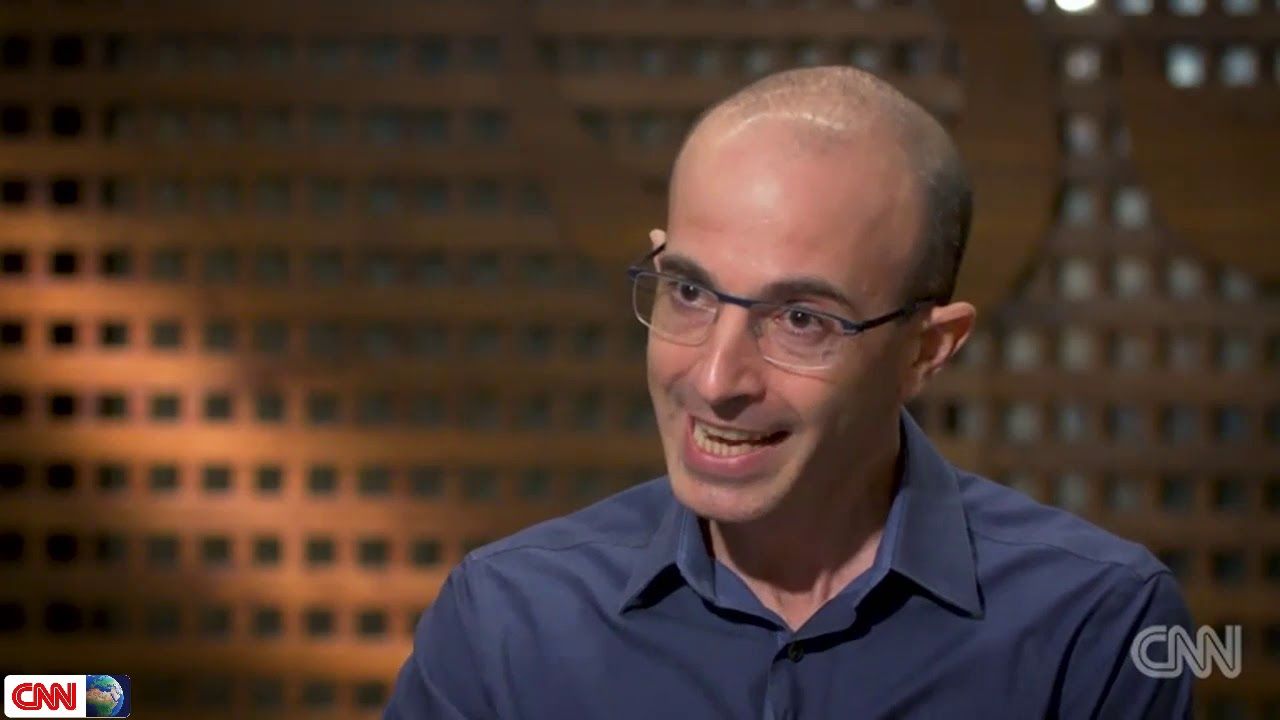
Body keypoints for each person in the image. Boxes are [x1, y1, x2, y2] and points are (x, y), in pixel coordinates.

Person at [385, 66, 1194, 719]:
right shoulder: (505, 621)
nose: (715, 380)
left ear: (926, 351)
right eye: (690, 293)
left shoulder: (1095, 625)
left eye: (801, 319)